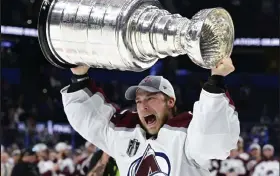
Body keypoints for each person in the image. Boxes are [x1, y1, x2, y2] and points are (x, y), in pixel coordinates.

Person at [61, 58, 240, 176]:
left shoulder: (186, 132)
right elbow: (90, 119)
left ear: (170, 102)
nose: (143, 105)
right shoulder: (124, 132)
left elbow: (213, 139)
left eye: (151, 98)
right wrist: (79, 76)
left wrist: (215, 81)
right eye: (138, 101)